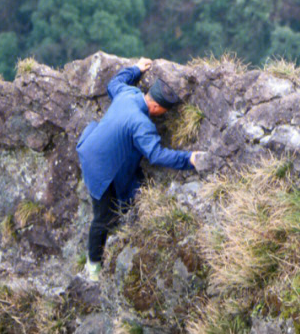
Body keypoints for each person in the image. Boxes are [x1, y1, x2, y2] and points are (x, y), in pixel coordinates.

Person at [76, 60, 209, 280]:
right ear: (156, 107)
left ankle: (125, 206)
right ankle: (93, 268)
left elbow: (114, 82)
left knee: (133, 178)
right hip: (98, 168)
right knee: (102, 219)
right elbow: (156, 155)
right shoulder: (142, 124)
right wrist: (189, 158)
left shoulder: (128, 93)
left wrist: (136, 69)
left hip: (90, 146)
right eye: (163, 111)